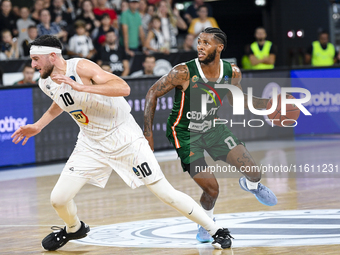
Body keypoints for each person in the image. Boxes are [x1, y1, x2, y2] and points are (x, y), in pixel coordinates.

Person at [11, 34, 233, 251]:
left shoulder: (80, 68)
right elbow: (61, 100)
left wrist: (82, 87)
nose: (32, 65)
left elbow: (123, 88)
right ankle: (74, 228)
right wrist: (38, 125)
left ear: (51, 56)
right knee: (58, 199)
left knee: (165, 192)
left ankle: (215, 230)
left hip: (124, 136)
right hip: (91, 142)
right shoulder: (45, 82)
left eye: (35, 59)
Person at [143, 27, 277, 243]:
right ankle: (207, 224)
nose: (200, 46)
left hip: (212, 127)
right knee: (212, 189)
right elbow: (152, 92)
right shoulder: (183, 72)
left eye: (206, 43)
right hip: (185, 133)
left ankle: (251, 186)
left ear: (219, 47)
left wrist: (267, 104)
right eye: (199, 42)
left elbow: (237, 99)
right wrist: (147, 133)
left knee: (254, 171)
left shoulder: (232, 72)